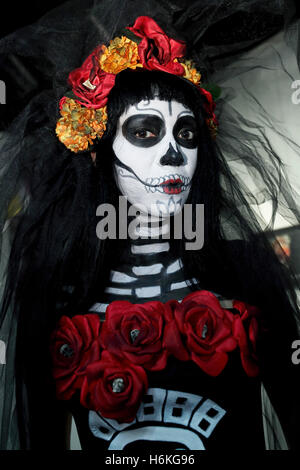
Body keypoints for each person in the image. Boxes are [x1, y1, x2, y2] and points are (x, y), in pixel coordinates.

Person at [0, 4, 299, 451]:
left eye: (187, 134)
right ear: (98, 151)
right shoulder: (57, 288)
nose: (174, 154)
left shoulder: (246, 266)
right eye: (144, 132)